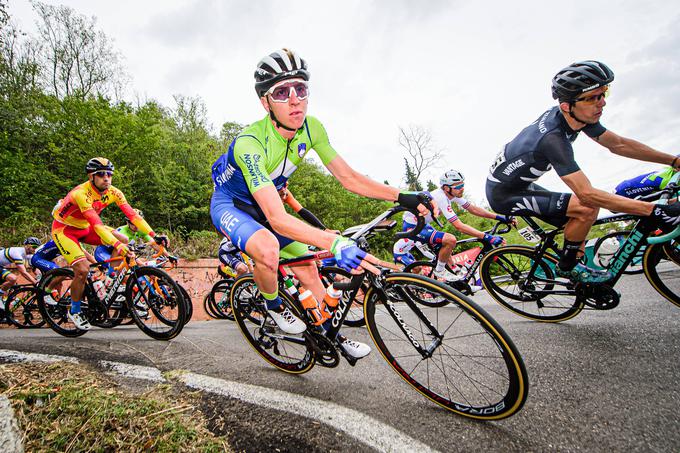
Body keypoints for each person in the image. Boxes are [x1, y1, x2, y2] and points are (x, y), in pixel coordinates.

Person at [210, 48, 434, 359]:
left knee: (310, 270)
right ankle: (273, 306)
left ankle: (332, 337)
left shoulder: (312, 128)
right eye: (282, 92)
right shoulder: (250, 143)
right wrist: (335, 242)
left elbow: (350, 179)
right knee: (268, 248)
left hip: (266, 206)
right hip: (233, 206)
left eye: (300, 89)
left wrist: (402, 195)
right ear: (265, 102)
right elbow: (276, 219)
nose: (294, 99)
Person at [486, 60, 680, 283]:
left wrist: (673, 160)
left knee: (583, 214)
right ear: (567, 106)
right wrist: (653, 210)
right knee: (587, 208)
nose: (602, 103)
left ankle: (574, 256)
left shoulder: (576, 115)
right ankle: (568, 267)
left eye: (603, 93)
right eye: (592, 98)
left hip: (518, 183)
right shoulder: (552, 139)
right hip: (504, 194)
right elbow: (586, 194)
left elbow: (618, 144)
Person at [51, 157, 168, 330]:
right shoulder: (81, 193)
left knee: (124, 239)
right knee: (82, 270)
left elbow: (133, 216)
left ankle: (111, 279)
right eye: (101, 174)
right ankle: (74, 311)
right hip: (64, 230)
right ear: (91, 177)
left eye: (109, 174)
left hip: (85, 227)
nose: (106, 178)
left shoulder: (114, 192)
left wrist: (154, 235)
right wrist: (117, 246)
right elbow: (97, 225)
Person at [401, 170, 512, 282]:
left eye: (462, 184)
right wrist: (487, 237)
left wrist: (499, 217)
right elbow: (459, 226)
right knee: (450, 240)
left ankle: (460, 281)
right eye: (458, 186)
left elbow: (472, 209)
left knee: (446, 251)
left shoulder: (452, 194)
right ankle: (439, 270)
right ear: (446, 188)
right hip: (412, 226)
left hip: (423, 224)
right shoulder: (441, 197)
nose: (462, 188)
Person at [94, 209, 168, 275]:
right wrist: (143, 266)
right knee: (122, 273)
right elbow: (128, 253)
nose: (136, 226)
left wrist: (169, 256)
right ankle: (110, 282)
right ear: (127, 222)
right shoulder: (122, 232)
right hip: (104, 252)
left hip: (120, 253)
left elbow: (154, 244)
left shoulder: (140, 230)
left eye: (138, 223)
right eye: (133, 223)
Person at [0, 237, 40, 309]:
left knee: (13, 286)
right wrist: (35, 282)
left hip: (1, 266)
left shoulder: (29, 255)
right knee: (12, 278)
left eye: (37, 247)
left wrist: (40, 278)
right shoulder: (17, 252)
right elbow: (23, 272)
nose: (35, 249)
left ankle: (5, 302)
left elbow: (35, 269)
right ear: (27, 245)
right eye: (34, 247)